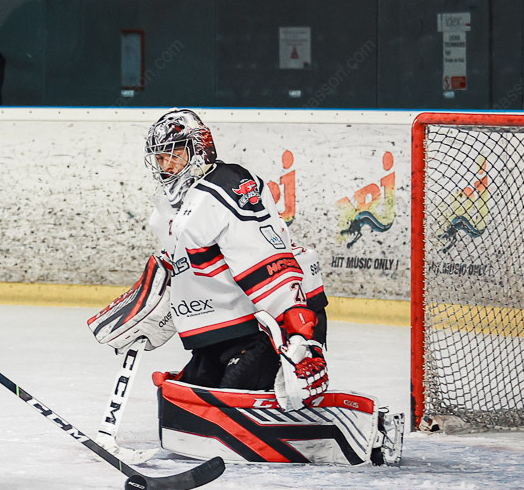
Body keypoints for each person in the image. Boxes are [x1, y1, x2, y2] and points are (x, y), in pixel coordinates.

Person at [88, 109, 401, 465]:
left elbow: (266, 260)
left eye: (174, 154)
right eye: (160, 157)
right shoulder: (169, 208)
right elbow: (184, 269)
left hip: (265, 328)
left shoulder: (227, 188)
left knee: (228, 411)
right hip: (220, 335)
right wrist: (154, 308)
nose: (166, 165)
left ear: (200, 150)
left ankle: (369, 432)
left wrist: (301, 337)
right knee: (187, 407)